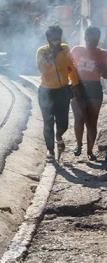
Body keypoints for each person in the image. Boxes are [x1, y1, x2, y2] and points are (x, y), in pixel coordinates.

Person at [36, 25, 80, 160]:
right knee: (48, 122)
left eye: (58, 38)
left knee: (64, 122)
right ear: (48, 39)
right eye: (53, 39)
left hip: (63, 90)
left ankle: (59, 135)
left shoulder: (65, 48)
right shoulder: (42, 51)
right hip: (46, 91)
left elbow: (71, 67)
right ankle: (50, 150)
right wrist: (52, 57)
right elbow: (42, 70)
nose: (56, 41)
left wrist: (76, 84)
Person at [71, 26, 107, 161]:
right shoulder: (76, 50)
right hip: (78, 87)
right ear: (85, 38)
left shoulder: (103, 53)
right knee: (79, 119)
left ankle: (90, 151)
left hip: (94, 89)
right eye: (91, 39)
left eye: (96, 39)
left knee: (92, 122)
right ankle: (79, 145)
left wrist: (103, 69)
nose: (94, 42)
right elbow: (68, 68)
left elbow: (106, 75)